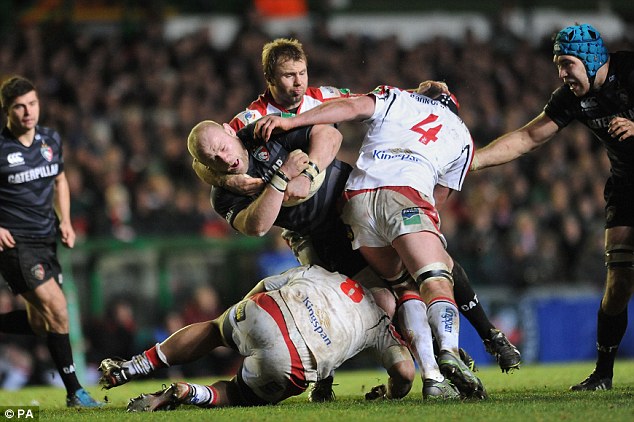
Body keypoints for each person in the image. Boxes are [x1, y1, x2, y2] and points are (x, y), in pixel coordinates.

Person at [197, 37, 521, 374]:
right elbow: (208, 155)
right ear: (269, 80)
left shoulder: (321, 98)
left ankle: (483, 336)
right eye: (287, 76)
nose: (297, 83)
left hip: (348, 200)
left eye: (301, 73)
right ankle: (417, 360)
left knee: (427, 267)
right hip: (311, 229)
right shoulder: (250, 120)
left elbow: (375, 103)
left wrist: (424, 96)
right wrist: (225, 179)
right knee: (377, 296)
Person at [254, 85, 489, 399]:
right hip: (366, 214)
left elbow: (353, 106)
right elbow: (438, 199)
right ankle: (440, 359)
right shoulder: (460, 136)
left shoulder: (391, 102)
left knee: (394, 295)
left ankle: (428, 368)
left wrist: (290, 124)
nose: (296, 83)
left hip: (354, 211)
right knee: (422, 281)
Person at [470, 23, 634, 391]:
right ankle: (603, 374)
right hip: (626, 186)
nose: (562, 73)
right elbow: (528, 136)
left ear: (591, 60)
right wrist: (474, 162)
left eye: (568, 64)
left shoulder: (631, 73)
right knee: (619, 283)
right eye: (558, 64)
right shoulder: (570, 97)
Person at [99, 265, 415, 411]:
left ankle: (133, 366)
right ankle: (189, 392)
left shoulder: (329, 275)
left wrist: (240, 315)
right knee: (239, 395)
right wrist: (392, 393)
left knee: (212, 330)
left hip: (265, 311)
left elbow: (267, 283)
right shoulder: (381, 327)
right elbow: (404, 373)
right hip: (293, 359)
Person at [0, 76, 101, 407]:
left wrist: (66, 220)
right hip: (15, 245)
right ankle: (76, 391)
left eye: (32, 103)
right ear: (7, 111)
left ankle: (75, 390)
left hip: (46, 241)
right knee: (59, 309)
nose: (28, 112)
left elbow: (60, 180)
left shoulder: (49, 139)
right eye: (19, 106)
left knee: (41, 324)